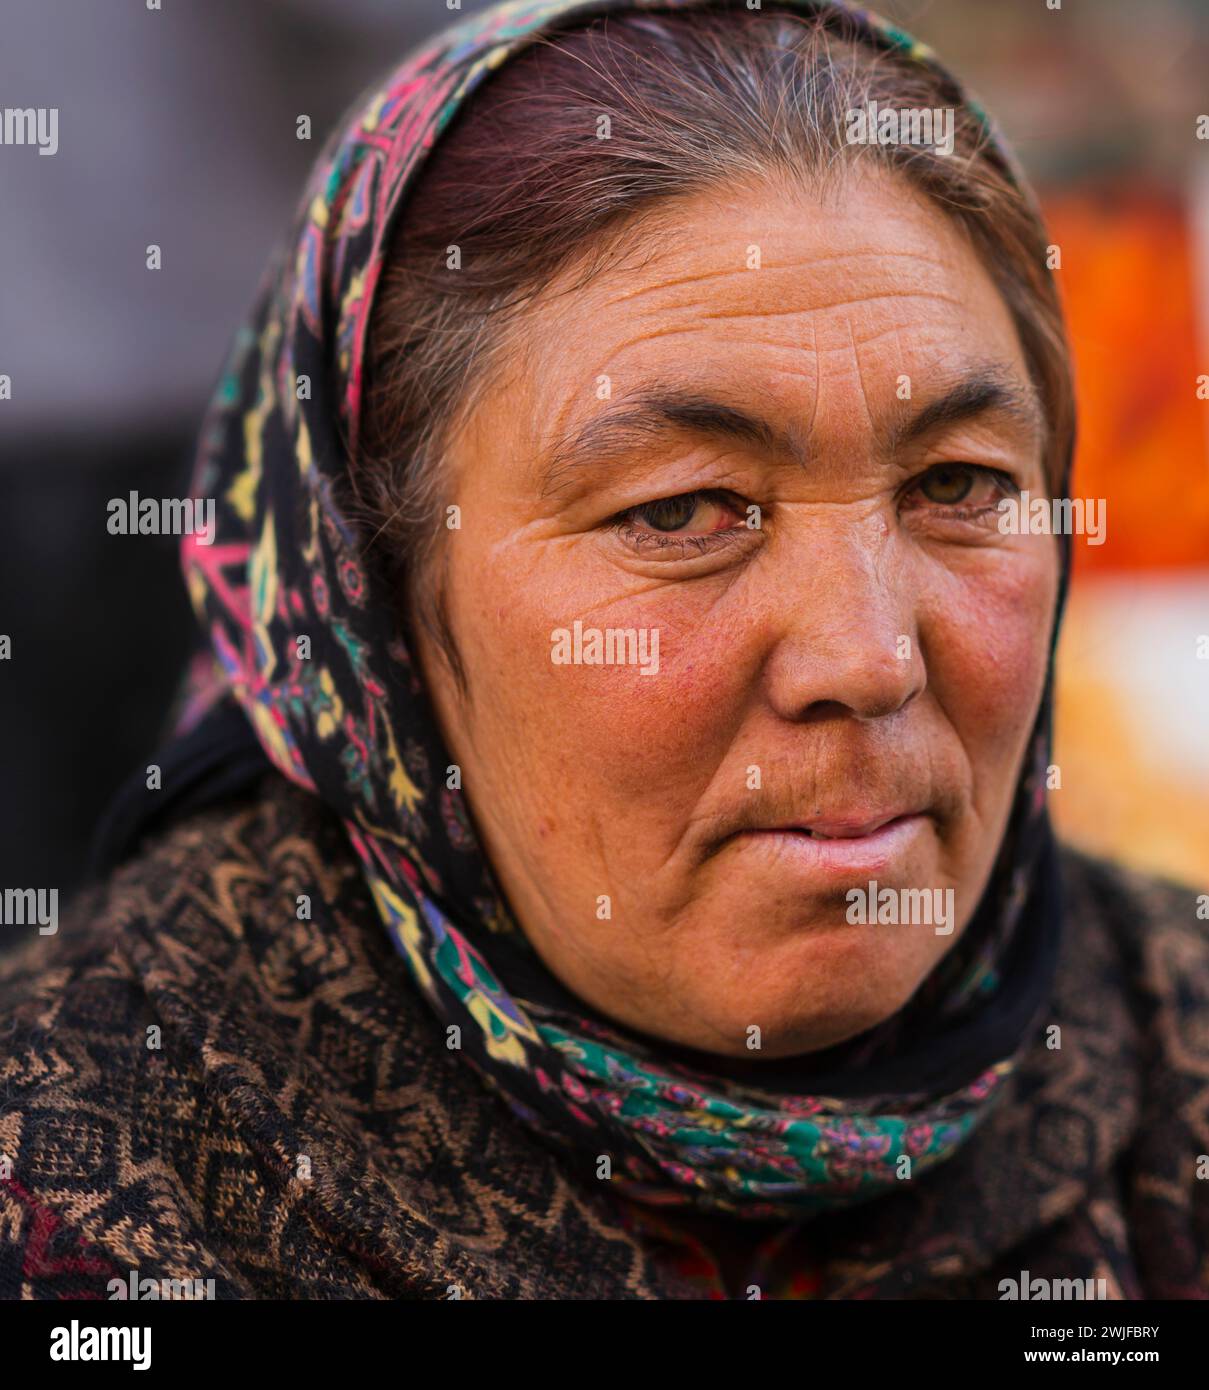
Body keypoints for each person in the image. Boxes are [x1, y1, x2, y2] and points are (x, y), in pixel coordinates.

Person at [1, 0, 1205, 1301]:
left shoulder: (1170, 1059)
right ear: (369, 613)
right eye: (680, 511)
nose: (865, 658)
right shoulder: (89, 1172)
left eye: (959, 487)